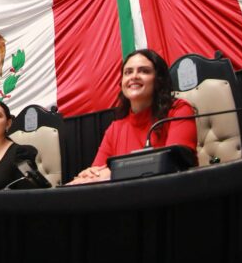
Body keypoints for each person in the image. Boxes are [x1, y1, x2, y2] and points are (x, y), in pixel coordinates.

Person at [71, 49, 197, 185]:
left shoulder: (178, 110)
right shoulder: (115, 129)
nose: (134, 76)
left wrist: (113, 172)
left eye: (144, 71)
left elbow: (173, 163)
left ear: (158, 80)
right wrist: (88, 175)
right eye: (128, 72)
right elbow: (96, 174)